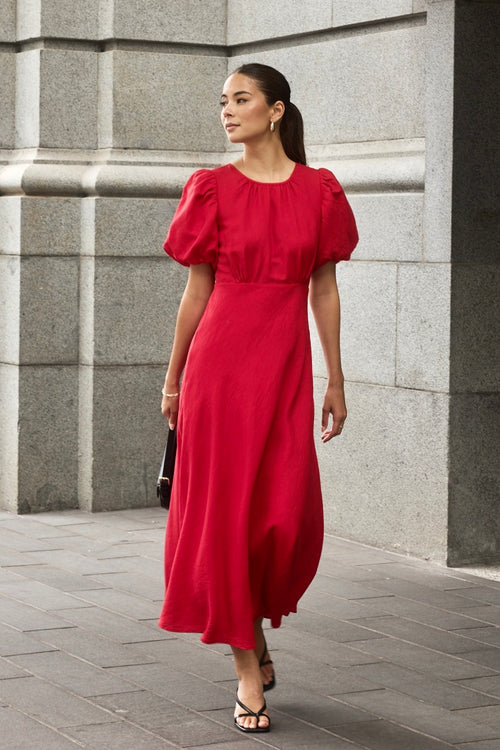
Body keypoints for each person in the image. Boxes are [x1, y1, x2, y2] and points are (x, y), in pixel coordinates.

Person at [158, 62, 358, 734]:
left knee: (280, 516)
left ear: (276, 110)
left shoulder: (320, 191)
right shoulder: (211, 189)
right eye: (223, 101)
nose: (227, 111)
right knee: (226, 518)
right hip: (219, 369)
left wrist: (336, 378)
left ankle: (256, 631)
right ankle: (247, 668)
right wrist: (174, 378)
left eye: (240, 99)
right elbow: (195, 293)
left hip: (285, 370)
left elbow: (323, 289)